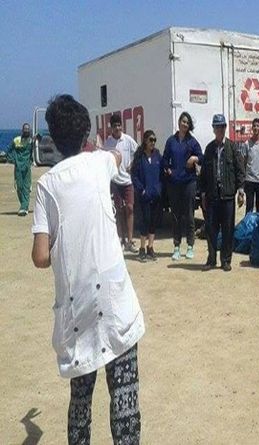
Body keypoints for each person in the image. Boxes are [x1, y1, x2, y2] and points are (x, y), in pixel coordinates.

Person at [31, 94, 144, 444]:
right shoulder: (99, 162)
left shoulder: (46, 185)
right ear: (86, 134)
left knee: (81, 399)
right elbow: (116, 155)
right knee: (124, 397)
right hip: (114, 304)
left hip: (77, 311)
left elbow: (39, 256)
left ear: (52, 138)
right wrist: (100, 149)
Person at [200, 114, 245, 271]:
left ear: (225, 128)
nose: (219, 129)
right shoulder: (209, 149)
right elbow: (204, 174)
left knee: (228, 230)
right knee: (211, 229)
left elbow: (240, 170)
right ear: (213, 129)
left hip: (227, 196)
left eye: (222, 126)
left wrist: (240, 190)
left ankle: (226, 260)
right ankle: (211, 259)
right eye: (217, 127)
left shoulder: (232, 148)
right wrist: (203, 193)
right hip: (212, 196)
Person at [162, 111, 203, 261]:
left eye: (187, 122)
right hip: (174, 184)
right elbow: (165, 159)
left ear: (189, 125)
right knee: (175, 216)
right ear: (179, 122)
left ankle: (190, 246)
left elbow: (202, 156)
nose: (185, 124)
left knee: (190, 215)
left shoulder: (192, 142)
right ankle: (177, 247)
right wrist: (168, 169)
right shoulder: (171, 141)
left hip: (189, 182)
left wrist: (194, 158)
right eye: (183, 121)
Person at [103, 114, 139, 252]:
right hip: (115, 181)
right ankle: (121, 239)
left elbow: (138, 152)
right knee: (118, 211)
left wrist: (133, 165)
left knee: (130, 208)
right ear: (111, 127)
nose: (117, 128)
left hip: (127, 181)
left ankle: (130, 240)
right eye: (115, 126)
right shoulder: (108, 143)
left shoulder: (128, 140)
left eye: (119, 125)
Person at [131, 130, 162, 262]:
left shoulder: (157, 156)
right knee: (145, 221)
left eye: (154, 140)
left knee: (153, 222)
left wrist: (159, 189)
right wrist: (141, 190)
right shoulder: (140, 157)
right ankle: (142, 248)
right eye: (150, 140)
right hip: (144, 196)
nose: (153, 142)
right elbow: (134, 176)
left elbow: (162, 173)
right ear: (145, 140)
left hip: (155, 195)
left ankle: (150, 247)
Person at [241, 118, 259, 213]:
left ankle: (258, 227)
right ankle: (248, 227)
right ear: (252, 128)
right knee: (249, 207)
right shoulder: (247, 144)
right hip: (249, 180)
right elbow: (243, 162)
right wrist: (242, 180)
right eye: (254, 126)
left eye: (257, 126)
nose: (256, 128)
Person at [6, 123, 33, 216]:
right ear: (22, 130)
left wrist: (31, 161)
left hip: (27, 168)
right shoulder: (16, 140)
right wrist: (12, 160)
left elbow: (36, 150)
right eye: (25, 129)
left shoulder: (31, 141)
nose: (26, 130)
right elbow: (9, 150)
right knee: (19, 187)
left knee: (26, 187)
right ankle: (23, 205)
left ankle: (24, 207)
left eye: (28, 129)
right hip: (18, 168)